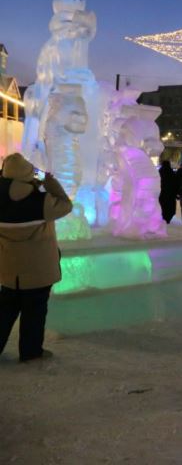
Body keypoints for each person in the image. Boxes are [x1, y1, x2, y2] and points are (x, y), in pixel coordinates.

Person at [0, 153, 73, 362]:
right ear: (30, 174)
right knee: (34, 312)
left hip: (9, 270)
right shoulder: (41, 202)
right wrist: (46, 179)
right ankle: (31, 352)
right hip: (38, 270)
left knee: (5, 310)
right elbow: (66, 204)